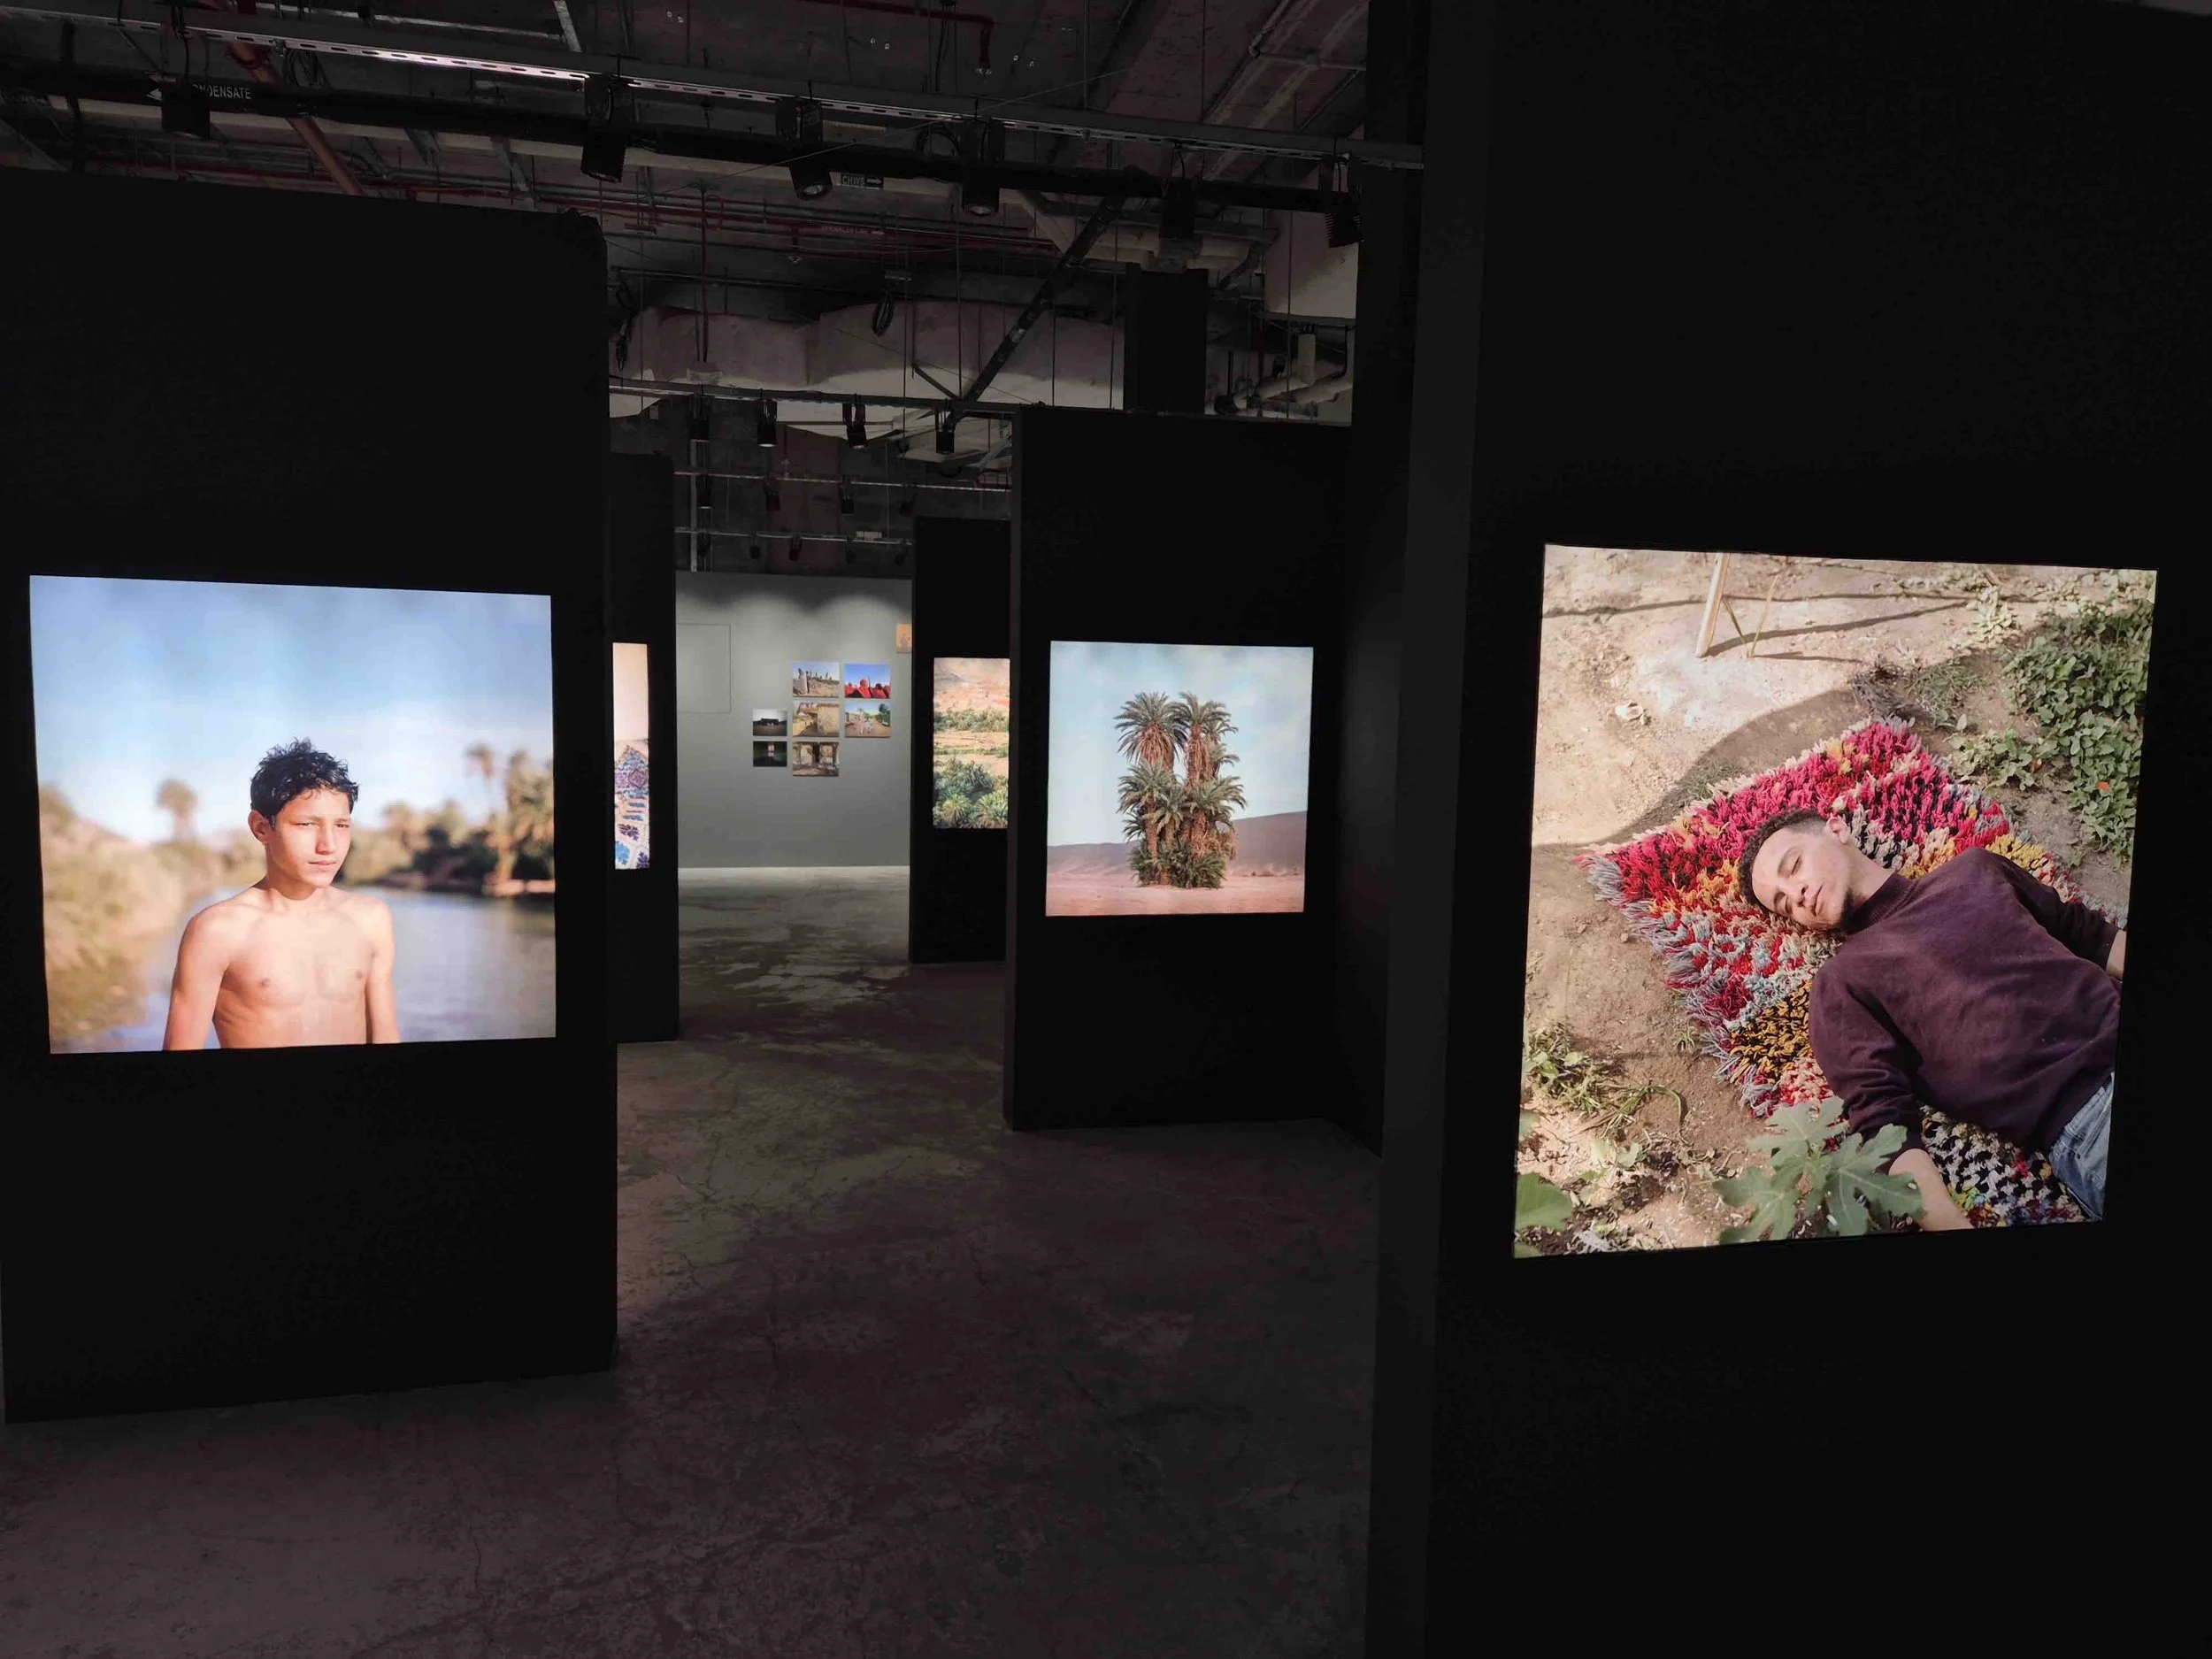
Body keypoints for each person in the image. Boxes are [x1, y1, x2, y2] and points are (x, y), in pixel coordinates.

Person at [1738, 809, 2122, 1226]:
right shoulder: (1840, 986)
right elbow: (1885, 1127)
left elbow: (2089, 934)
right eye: (1782, 902)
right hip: (2088, 1117)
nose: (1795, 895)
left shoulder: (1976, 869)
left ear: (1837, 829)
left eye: (1793, 866)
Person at [162, 739, 400, 1050]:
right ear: (261, 828)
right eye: (306, 824)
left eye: (341, 825)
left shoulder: (371, 919)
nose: (328, 844)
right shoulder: (218, 931)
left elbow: (386, 1037)